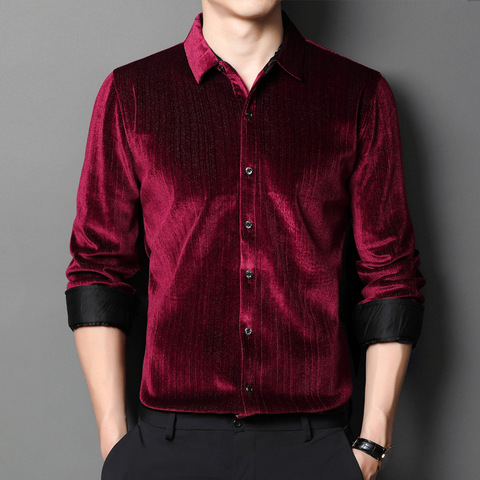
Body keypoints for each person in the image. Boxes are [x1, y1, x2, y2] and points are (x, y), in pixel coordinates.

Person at [64, 1, 426, 479]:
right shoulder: (131, 94)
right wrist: (116, 443)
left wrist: (372, 442)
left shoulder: (358, 94)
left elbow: (390, 275)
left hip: (313, 446)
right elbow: (98, 269)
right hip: (167, 446)